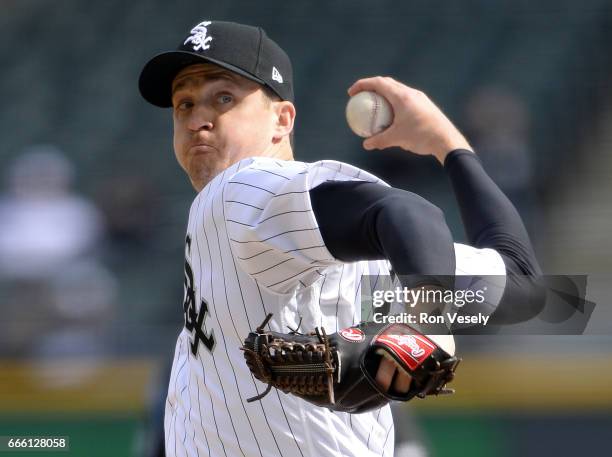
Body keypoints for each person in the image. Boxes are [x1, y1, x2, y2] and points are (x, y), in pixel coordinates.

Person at [139, 20, 542, 457]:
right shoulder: (379, 273)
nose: (198, 118)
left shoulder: (238, 189)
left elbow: (408, 212)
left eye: (223, 98)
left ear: (282, 119)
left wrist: (425, 320)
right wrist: (448, 145)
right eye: (183, 104)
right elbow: (525, 285)